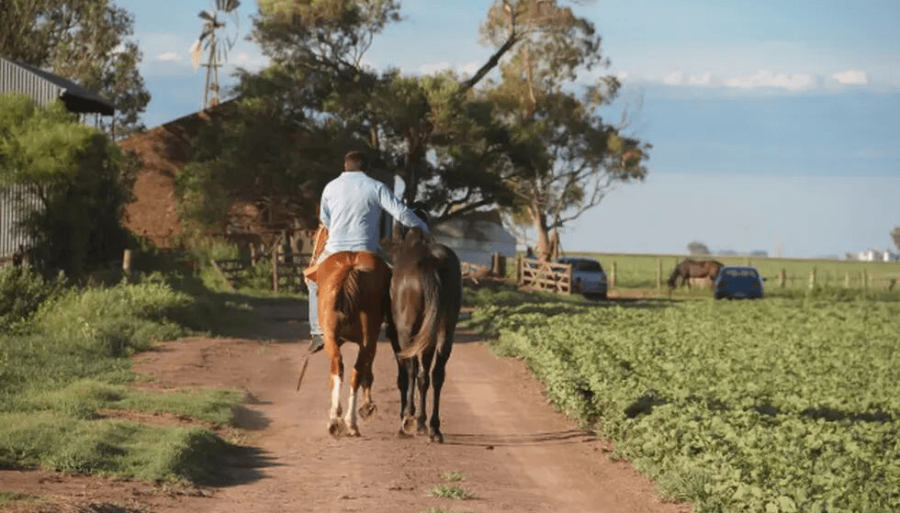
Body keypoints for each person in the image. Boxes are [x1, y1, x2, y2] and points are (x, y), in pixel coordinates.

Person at [305, 151, 430, 353]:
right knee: (393, 279)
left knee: (312, 281)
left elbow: (325, 221)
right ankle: (391, 323)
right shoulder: (376, 186)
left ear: (345, 167)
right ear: (367, 168)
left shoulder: (330, 187)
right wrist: (423, 227)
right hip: (367, 248)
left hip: (335, 249)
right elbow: (400, 213)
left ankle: (317, 332)